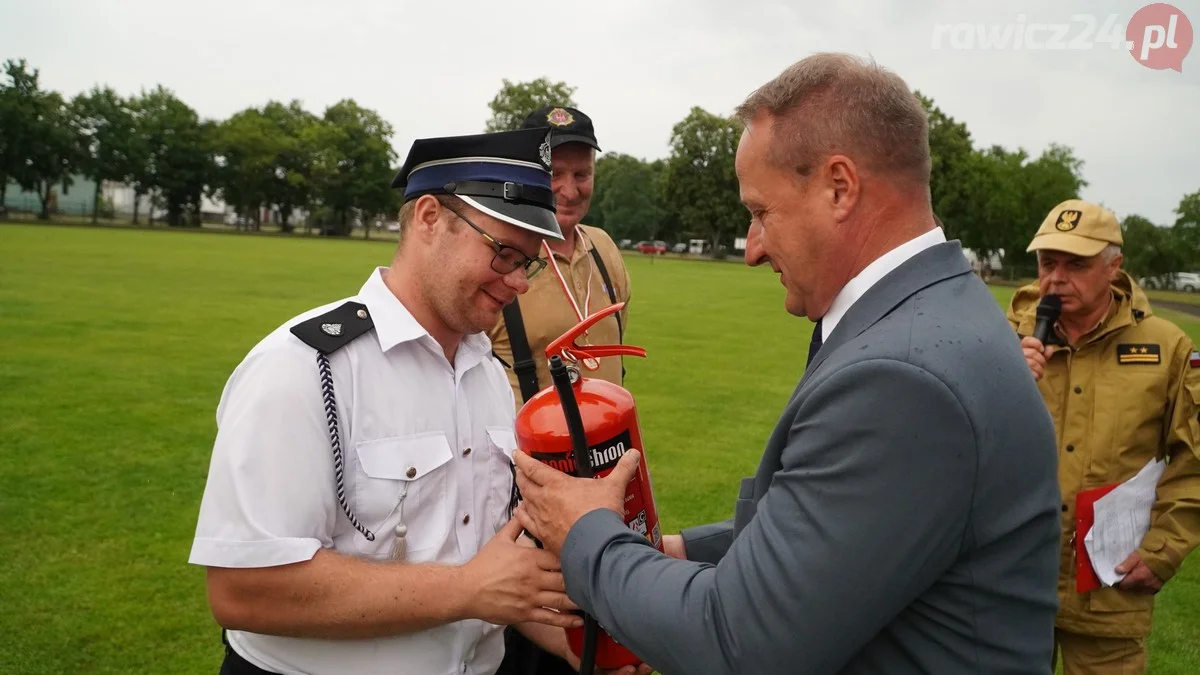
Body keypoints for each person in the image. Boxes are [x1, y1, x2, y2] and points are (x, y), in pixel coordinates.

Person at [510, 52, 1063, 675]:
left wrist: (589, 533)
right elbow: (827, 524)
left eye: (760, 212)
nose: (752, 249)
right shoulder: (936, 313)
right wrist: (675, 550)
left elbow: (739, 642)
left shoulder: (902, 378)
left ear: (839, 187)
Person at [188, 127, 593, 675]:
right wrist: (466, 589)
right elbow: (243, 589)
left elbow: (493, 570)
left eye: (529, 262)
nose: (519, 282)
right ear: (428, 217)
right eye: (503, 253)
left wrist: (566, 639)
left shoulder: (487, 375)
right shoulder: (304, 367)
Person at [1008, 199, 1200, 674]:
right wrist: (1003, 381)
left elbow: (1193, 460)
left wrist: (1163, 551)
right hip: (1009, 582)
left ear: (1114, 267)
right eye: (1048, 262)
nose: (1056, 277)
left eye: (1076, 263)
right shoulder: (1005, 339)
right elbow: (953, 444)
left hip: (1109, 589)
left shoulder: (1167, 349)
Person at [487, 105, 631, 410]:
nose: (569, 190)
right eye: (554, 174)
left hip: (612, 449)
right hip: (528, 453)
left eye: (582, 174)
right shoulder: (495, 257)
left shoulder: (604, 247)